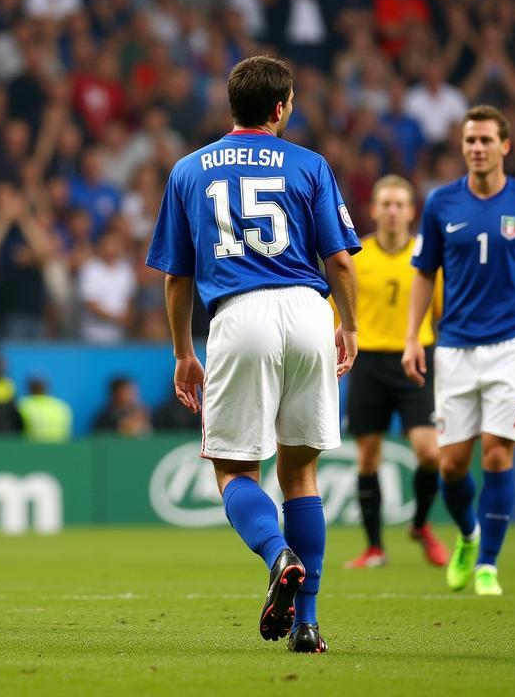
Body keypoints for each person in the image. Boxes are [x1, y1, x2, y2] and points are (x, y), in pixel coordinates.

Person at [146, 55, 360, 655]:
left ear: (230, 107)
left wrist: (183, 352)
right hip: (308, 310)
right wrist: (349, 327)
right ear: (280, 108)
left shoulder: (189, 170)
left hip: (239, 316)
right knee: (302, 473)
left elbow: (175, 276)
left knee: (234, 471)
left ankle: (276, 554)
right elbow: (339, 260)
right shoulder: (311, 165)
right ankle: (308, 624)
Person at [404, 105, 515, 597]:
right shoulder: (440, 204)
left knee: (496, 456)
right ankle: (469, 535)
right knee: (451, 464)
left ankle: (489, 564)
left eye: (486, 140)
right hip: (454, 346)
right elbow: (424, 272)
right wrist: (413, 336)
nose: (476, 148)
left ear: (504, 146)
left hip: (514, 343)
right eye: (470, 140)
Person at [344, 175, 448, 569]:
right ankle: (375, 548)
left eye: (398, 204)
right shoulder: (357, 257)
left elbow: (441, 314)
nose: (391, 210)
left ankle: (420, 524)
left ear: (411, 211)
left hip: (415, 361)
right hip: (368, 362)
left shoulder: (426, 258)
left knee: (429, 453)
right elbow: (338, 316)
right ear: (372, 209)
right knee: (368, 457)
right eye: (384, 203)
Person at [18, 377, 73, 442]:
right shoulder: (63, 406)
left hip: (32, 449)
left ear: (28, 388)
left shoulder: (23, 404)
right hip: (61, 449)